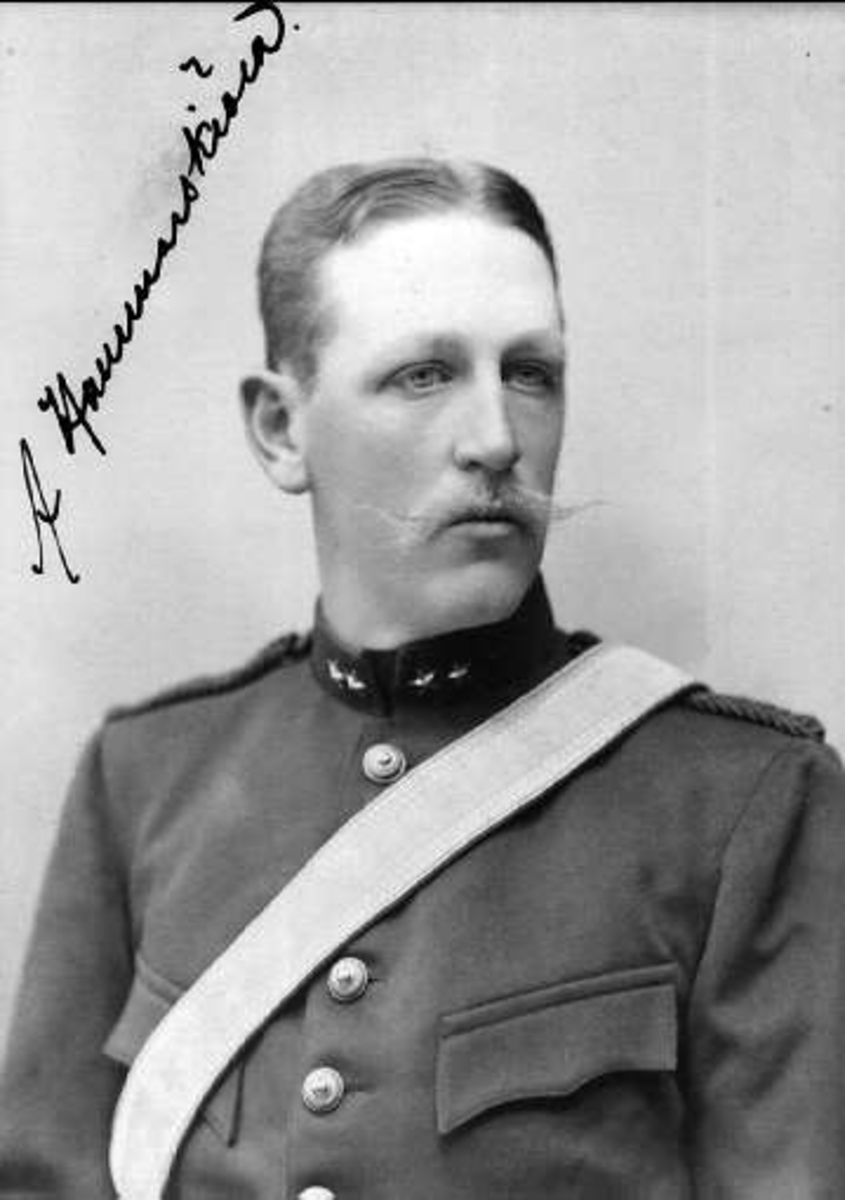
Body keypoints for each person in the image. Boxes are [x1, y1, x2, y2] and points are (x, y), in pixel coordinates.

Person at [1, 157, 844, 1200]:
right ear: (280, 430)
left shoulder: (742, 803)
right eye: (423, 375)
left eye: (529, 373)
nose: (495, 439)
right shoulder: (142, 780)